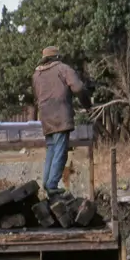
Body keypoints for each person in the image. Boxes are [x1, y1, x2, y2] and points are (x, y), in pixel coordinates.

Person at [32, 46, 89, 197]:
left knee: (51, 149)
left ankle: (46, 183)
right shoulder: (63, 69)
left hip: (45, 117)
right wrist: (87, 105)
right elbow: (79, 88)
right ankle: (52, 185)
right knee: (60, 151)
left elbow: (36, 96)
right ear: (57, 57)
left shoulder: (36, 74)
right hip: (60, 116)